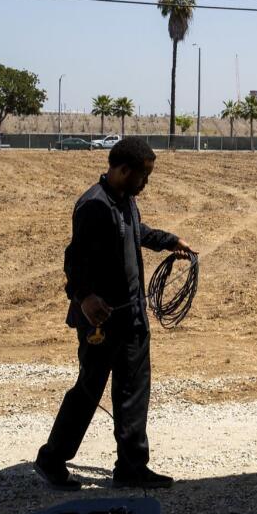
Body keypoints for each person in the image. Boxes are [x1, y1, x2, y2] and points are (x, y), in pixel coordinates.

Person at [35, 137, 196, 491]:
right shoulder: (93, 205)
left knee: (134, 390)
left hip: (132, 317)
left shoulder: (126, 201)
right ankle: (51, 459)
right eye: (144, 175)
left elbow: (136, 232)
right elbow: (73, 260)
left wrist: (169, 240)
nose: (146, 182)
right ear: (124, 170)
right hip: (101, 320)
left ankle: (132, 467)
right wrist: (84, 297)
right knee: (89, 391)